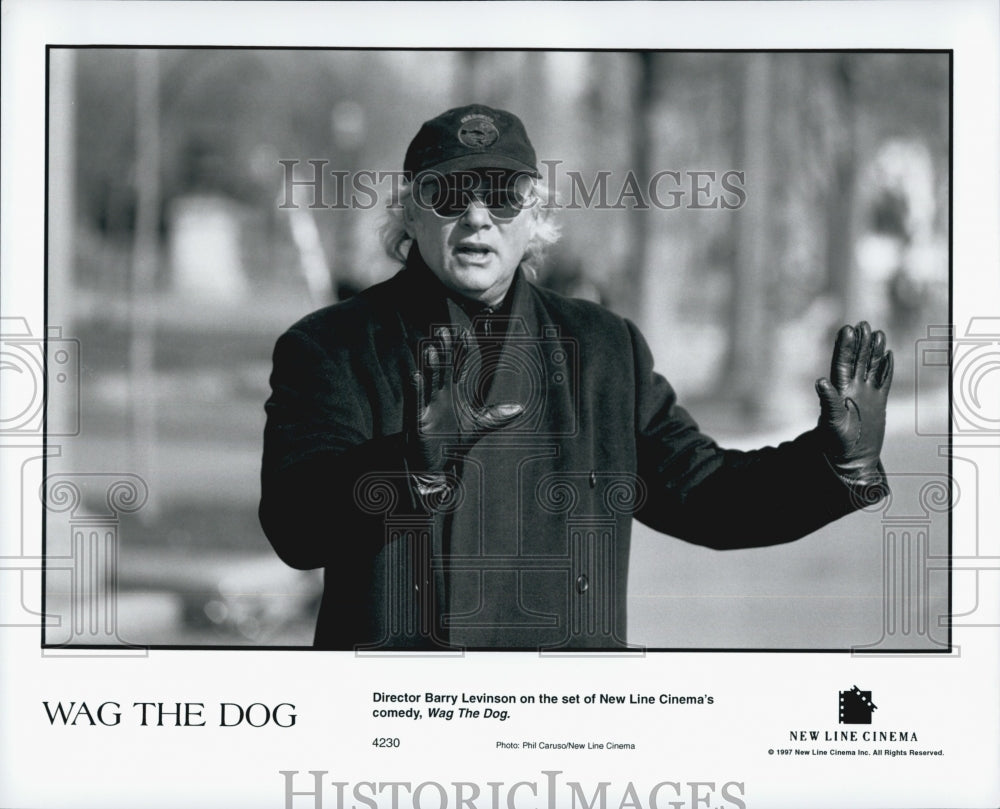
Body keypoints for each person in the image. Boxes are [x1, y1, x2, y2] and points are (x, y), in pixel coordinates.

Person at [259, 104, 893, 651]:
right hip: (398, 718)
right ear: (411, 213)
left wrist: (835, 463)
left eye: (502, 195)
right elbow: (293, 528)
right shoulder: (330, 347)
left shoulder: (603, 350)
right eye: (450, 194)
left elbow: (708, 499)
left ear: (533, 216)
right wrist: (407, 469)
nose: (478, 217)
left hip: (564, 717)